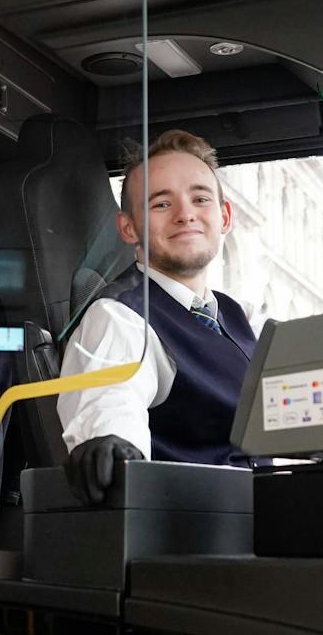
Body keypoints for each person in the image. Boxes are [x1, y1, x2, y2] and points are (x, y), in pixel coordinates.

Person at [57, 129, 258, 501]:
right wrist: (112, 442)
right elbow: (109, 398)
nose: (185, 215)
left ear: (225, 216)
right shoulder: (119, 316)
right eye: (161, 204)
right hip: (192, 528)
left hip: (262, 511)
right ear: (128, 228)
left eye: (200, 199)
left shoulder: (238, 317)